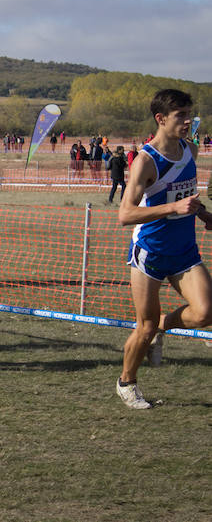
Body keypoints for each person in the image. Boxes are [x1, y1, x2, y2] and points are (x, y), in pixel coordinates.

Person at [116, 88, 212, 409]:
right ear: (161, 119)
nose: (188, 121)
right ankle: (126, 383)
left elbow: (186, 196)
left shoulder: (191, 150)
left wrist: (202, 213)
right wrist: (174, 209)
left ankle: (163, 326)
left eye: (189, 114)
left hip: (185, 251)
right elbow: (126, 214)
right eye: (181, 116)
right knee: (142, 329)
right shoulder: (146, 161)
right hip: (151, 254)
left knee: (205, 313)